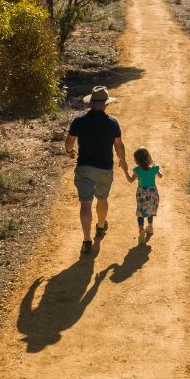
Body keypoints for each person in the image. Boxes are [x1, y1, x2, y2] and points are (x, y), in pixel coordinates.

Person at [66, 85, 128, 254]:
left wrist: (70, 152)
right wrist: (123, 161)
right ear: (106, 104)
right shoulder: (112, 124)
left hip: (84, 168)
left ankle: (86, 240)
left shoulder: (79, 122)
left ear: (91, 103)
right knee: (102, 199)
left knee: (85, 204)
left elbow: (69, 142)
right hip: (104, 169)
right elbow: (118, 145)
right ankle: (100, 227)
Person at [124, 147, 162, 243]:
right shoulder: (154, 168)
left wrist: (125, 171)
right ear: (148, 157)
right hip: (152, 192)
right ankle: (150, 227)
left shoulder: (137, 170)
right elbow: (160, 176)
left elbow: (130, 180)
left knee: (140, 211)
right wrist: (157, 169)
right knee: (150, 209)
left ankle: (141, 229)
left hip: (142, 193)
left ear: (137, 160)